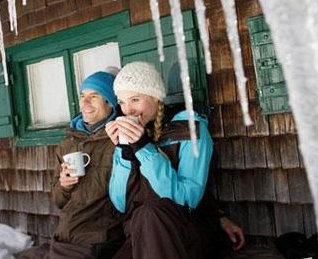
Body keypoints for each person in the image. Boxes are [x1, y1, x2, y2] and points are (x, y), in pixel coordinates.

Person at [105, 61, 245, 259]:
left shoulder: (190, 130)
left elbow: (187, 199)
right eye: (122, 102)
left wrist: (144, 149)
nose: (128, 110)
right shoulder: (132, 134)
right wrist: (124, 150)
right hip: (140, 235)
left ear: (156, 97)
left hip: (186, 232)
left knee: (149, 213)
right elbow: (121, 204)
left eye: (135, 99)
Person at [16, 71, 124, 259]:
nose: (85, 102)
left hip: (99, 238)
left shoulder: (118, 139)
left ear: (110, 102)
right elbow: (58, 200)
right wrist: (63, 185)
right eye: (82, 96)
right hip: (65, 235)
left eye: (94, 96)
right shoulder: (69, 142)